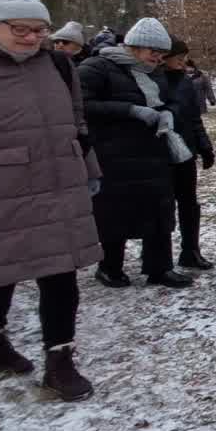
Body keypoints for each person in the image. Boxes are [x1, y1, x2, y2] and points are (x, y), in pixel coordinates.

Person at [0, 0, 99, 400]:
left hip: (57, 186)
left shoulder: (58, 65)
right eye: (20, 29)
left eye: (39, 29)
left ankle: (60, 363)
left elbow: (78, 122)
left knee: (61, 275)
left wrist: (90, 169)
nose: (32, 38)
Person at [79, 17, 194, 288]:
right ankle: (110, 267)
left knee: (159, 211)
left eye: (162, 53)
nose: (158, 58)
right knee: (115, 211)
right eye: (153, 51)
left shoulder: (155, 72)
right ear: (134, 45)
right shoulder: (97, 67)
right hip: (113, 155)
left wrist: (168, 113)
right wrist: (129, 110)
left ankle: (160, 268)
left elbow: (172, 101)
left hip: (154, 153)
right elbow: (81, 105)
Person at [163, 38, 216, 270]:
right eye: (179, 58)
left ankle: (190, 250)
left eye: (184, 58)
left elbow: (194, 118)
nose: (183, 62)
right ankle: (159, 258)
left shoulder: (185, 81)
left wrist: (205, 146)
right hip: (160, 154)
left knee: (189, 203)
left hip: (186, 151)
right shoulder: (151, 79)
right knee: (162, 206)